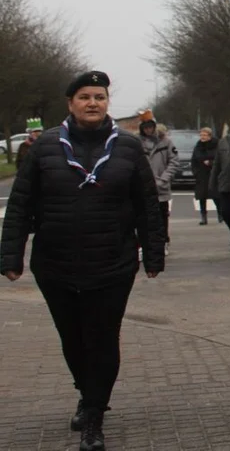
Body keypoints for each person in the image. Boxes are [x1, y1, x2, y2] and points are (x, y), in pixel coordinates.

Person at [1, 71, 165, 451]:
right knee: (73, 340)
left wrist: (153, 253)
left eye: (100, 97)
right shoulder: (44, 147)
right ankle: (87, 391)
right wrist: (10, 255)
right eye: (85, 97)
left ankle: (93, 414)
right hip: (55, 264)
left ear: (107, 103)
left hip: (112, 263)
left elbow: (147, 207)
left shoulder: (126, 147)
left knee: (103, 339)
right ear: (70, 104)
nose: (93, 103)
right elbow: (20, 205)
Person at [138, 112, 179, 254]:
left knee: (162, 217)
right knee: (143, 218)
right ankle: (144, 245)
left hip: (161, 186)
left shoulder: (166, 142)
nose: (148, 130)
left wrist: (163, 179)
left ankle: (163, 242)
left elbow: (173, 161)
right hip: (143, 186)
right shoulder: (137, 142)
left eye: (150, 127)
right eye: (145, 128)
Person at [191, 127, 216, 225]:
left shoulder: (216, 145)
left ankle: (220, 214)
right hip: (201, 175)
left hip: (213, 174)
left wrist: (210, 163)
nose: (202, 137)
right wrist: (195, 172)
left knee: (216, 196)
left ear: (209, 136)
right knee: (202, 197)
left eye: (204, 135)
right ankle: (203, 217)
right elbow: (194, 160)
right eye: (201, 135)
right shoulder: (198, 146)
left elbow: (219, 159)